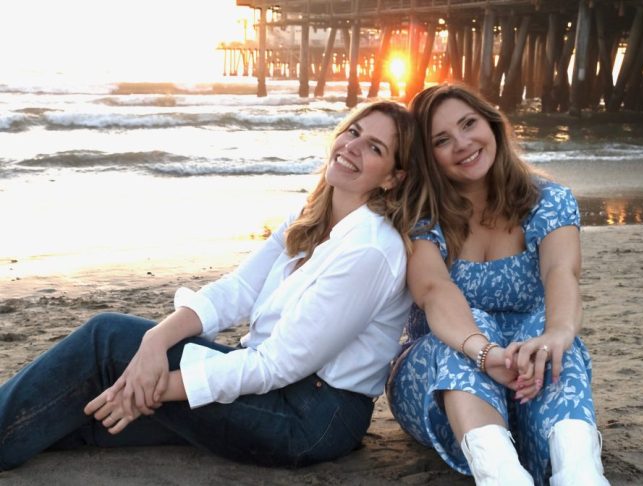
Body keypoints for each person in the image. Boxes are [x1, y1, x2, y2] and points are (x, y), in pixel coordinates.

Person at [0, 100, 419, 471]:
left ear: (393, 178)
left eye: (374, 148)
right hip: (270, 386)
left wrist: (155, 386)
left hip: (311, 416)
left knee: (106, 339)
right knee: (87, 414)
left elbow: (276, 366)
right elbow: (238, 290)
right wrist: (155, 341)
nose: (352, 146)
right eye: (353, 131)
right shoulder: (311, 215)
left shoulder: (370, 249)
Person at [387, 84, 609, 486]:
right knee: (469, 330)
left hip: (527, 381)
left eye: (468, 124)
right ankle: (502, 476)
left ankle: (580, 472)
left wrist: (557, 334)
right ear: (427, 156)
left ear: (491, 124)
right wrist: (484, 352)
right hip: (443, 378)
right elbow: (435, 291)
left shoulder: (547, 200)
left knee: (548, 336)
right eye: (441, 140)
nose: (462, 143)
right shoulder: (422, 214)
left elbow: (561, 271)